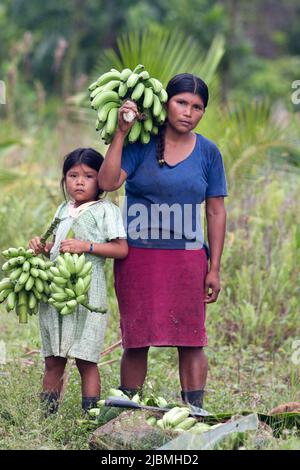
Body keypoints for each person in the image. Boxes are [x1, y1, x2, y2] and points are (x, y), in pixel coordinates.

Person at [98, 73, 228, 409]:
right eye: (181, 102)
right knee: (137, 339)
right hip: (138, 257)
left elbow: (215, 212)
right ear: (166, 103)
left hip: (187, 259)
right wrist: (121, 133)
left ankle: (195, 412)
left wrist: (215, 268)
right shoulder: (140, 145)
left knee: (191, 339)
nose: (188, 112)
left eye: (197, 107)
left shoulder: (209, 153)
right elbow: (108, 182)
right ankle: (129, 411)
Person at [28, 148, 128, 414]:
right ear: (64, 180)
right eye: (73, 175)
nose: (80, 181)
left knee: (86, 360)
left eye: (89, 176)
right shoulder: (64, 208)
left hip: (86, 295)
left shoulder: (106, 210)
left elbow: (121, 249)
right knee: (53, 360)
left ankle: (89, 417)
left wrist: (88, 246)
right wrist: (43, 246)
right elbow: (59, 247)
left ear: (101, 180)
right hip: (56, 293)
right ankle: (46, 418)